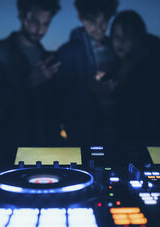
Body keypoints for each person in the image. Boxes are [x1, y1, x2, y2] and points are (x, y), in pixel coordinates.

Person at [0, 0, 61, 145]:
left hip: (47, 143)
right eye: (34, 21)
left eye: (46, 23)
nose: (40, 30)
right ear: (22, 16)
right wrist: (28, 83)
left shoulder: (49, 58)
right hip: (11, 144)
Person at [55, 0, 119, 144]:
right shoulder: (67, 53)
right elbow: (58, 104)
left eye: (104, 22)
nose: (99, 28)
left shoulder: (116, 45)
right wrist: (89, 90)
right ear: (81, 18)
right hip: (84, 137)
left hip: (120, 134)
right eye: (92, 22)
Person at [108, 10, 160, 143]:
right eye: (116, 36)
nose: (120, 42)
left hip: (149, 147)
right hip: (125, 145)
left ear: (136, 37)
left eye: (126, 36)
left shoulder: (153, 69)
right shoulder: (117, 65)